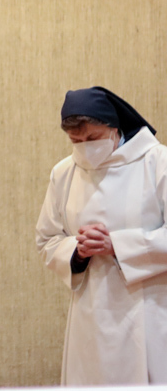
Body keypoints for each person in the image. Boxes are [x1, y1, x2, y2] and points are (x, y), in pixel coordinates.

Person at [35, 87, 167, 385]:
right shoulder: (64, 173)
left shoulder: (157, 162)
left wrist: (117, 246)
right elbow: (47, 240)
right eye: (76, 141)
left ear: (114, 127)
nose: (85, 148)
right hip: (91, 312)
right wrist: (78, 250)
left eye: (93, 138)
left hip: (150, 309)